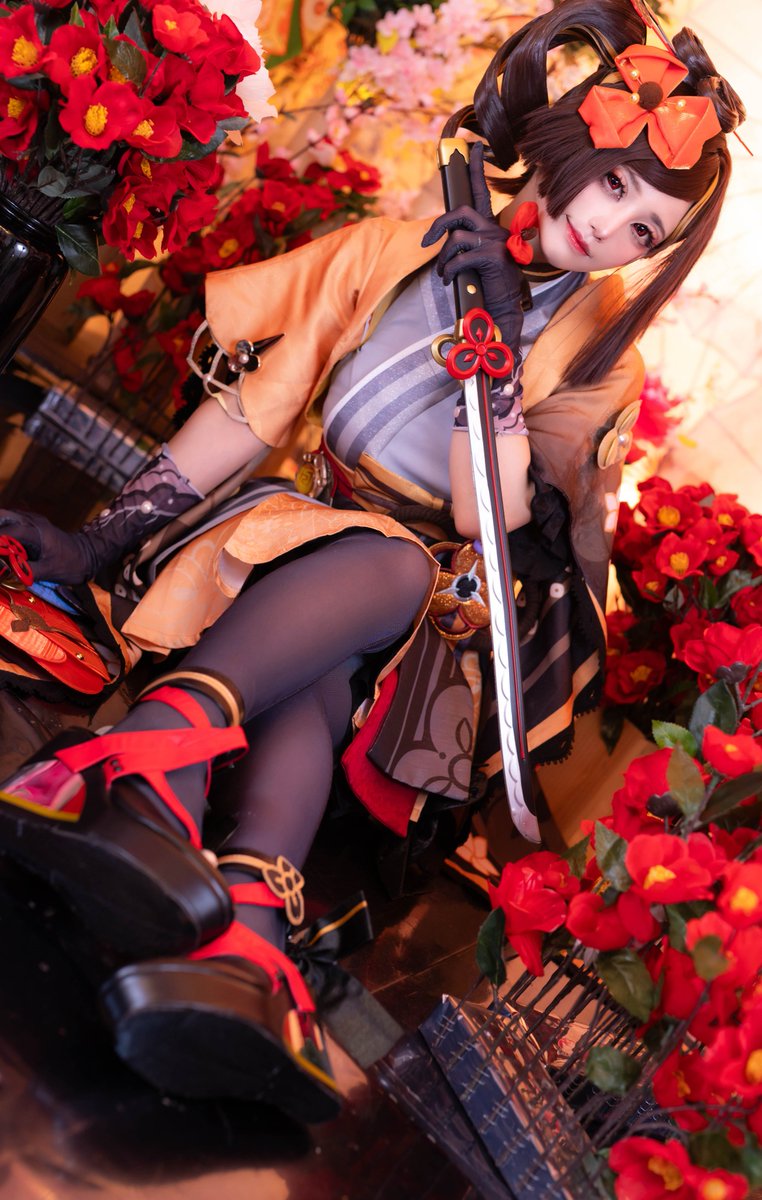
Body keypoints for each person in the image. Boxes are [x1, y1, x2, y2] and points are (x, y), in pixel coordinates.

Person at [0, 0, 744, 1122]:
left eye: (645, 229)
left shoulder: (600, 358)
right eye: (613, 184)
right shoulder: (399, 247)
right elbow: (256, 409)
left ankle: (150, 764)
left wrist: (499, 355)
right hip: (275, 551)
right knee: (311, 678)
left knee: (391, 569)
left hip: (416, 601)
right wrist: (106, 535)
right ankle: (247, 925)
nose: (611, 228)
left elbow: (483, 513)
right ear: (567, 145)